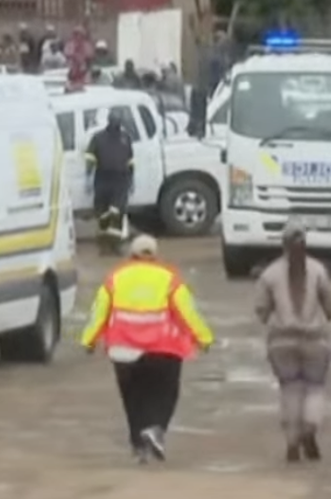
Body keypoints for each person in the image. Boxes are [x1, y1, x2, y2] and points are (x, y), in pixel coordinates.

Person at [79, 234, 214, 463]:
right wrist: (204, 338)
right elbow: (188, 311)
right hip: (162, 349)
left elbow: (99, 312)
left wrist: (88, 340)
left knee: (132, 397)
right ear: (155, 255)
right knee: (166, 392)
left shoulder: (115, 278)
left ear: (131, 255)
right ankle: (156, 429)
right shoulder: (169, 278)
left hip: (123, 350)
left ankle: (138, 445)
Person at [254, 219, 331, 463]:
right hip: (315, 340)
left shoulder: (269, 273)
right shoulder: (319, 270)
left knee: (290, 388)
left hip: (281, 342)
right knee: (314, 387)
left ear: (283, 245)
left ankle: (291, 442)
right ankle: (309, 429)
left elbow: (261, 311)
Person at [85, 111, 135, 254]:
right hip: (102, 178)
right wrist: (88, 175)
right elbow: (90, 156)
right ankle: (104, 246)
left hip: (121, 180)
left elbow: (130, 160)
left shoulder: (125, 138)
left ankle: (115, 246)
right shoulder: (98, 138)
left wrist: (132, 178)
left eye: (118, 120)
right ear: (109, 120)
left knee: (117, 213)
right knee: (103, 213)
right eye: (115, 120)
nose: (116, 122)